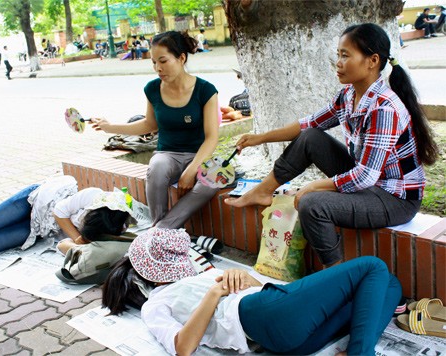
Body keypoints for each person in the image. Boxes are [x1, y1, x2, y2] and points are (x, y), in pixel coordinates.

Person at [225, 23, 438, 268]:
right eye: (338, 54)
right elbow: (309, 124)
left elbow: (365, 176)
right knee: (311, 137)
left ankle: (335, 274)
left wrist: (314, 187)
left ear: (372, 60)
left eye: (345, 55)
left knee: (312, 205)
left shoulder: (384, 108)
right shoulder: (348, 95)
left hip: (395, 199)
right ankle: (262, 191)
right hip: (370, 184)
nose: (338, 62)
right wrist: (260, 137)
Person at [102, 228, 402, 355]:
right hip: (262, 317)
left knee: (391, 285)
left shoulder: (205, 274)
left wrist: (242, 277)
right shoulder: (155, 305)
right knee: (372, 267)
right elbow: (183, 347)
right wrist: (213, 294)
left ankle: (357, 349)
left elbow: (263, 289)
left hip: (286, 332)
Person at [91, 31, 219, 229]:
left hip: (200, 155)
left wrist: (191, 169)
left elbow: (211, 138)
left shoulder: (206, 90)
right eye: (153, 62)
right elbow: (149, 125)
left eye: (163, 61)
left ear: (181, 58)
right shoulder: (152, 89)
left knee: (212, 181)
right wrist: (109, 127)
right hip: (168, 154)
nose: (158, 68)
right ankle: (158, 225)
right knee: (156, 168)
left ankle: (160, 230)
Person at [0, 176, 133, 255]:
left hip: (40, 228)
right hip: (36, 202)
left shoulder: (114, 228)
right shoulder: (93, 196)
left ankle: (15, 224)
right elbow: (59, 211)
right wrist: (78, 239)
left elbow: (64, 245)